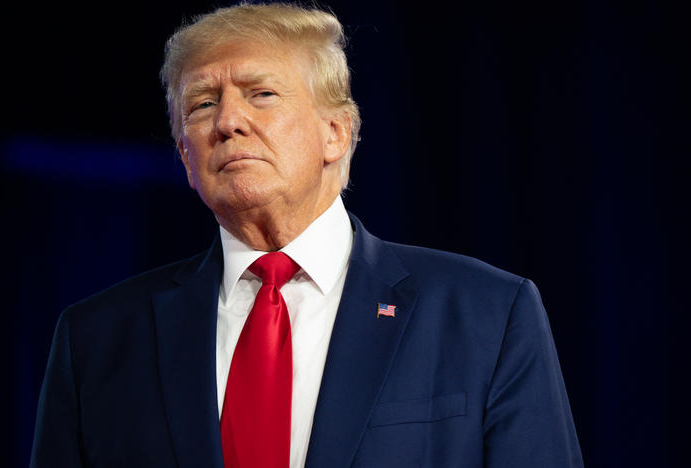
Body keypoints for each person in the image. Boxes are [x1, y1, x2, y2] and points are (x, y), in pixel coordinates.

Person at [30, 3, 584, 467]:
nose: (228, 122)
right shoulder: (96, 340)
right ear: (184, 156)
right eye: (202, 104)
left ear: (336, 133)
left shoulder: (488, 312)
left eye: (261, 94)